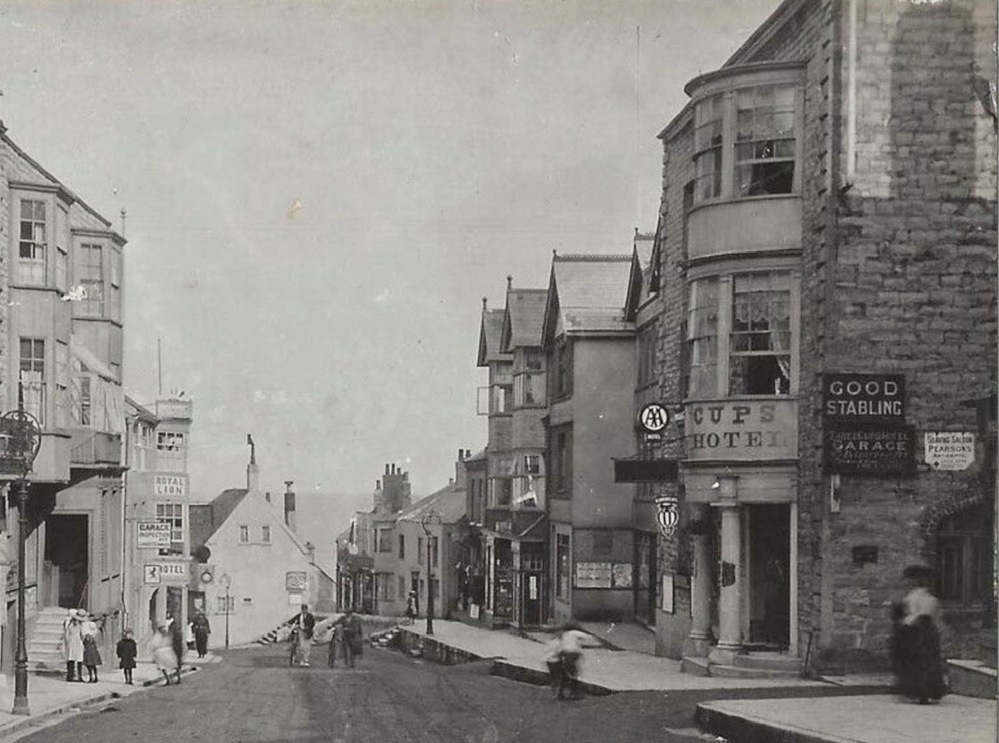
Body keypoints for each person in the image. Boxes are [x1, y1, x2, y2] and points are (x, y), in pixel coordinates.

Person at [890, 564, 946, 704]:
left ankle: (921, 692)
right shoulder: (920, 596)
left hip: (919, 631)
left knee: (920, 662)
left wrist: (907, 622)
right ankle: (920, 692)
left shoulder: (920, 597)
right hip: (921, 631)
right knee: (922, 662)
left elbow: (921, 615)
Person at [554, 623, 589, 700]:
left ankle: (561, 694)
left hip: (565, 655)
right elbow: (586, 637)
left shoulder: (564, 635)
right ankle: (574, 694)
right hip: (572, 655)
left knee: (566, 675)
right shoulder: (574, 633)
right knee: (574, 674)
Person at [60, 609, 86, 683]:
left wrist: (67, 642)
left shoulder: (70, 624)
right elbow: (82, 635)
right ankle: (79, 676)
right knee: (79, 659)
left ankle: (70, 676)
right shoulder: (79, 626)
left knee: (71, 658)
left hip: (71, 642)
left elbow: (67, 634)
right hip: (77, 642)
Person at [82, 616, 102, 683]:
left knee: (90, 665)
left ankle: (93, 677)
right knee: (92, 665)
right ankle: (94, 677)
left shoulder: (89, 634)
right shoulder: (94, 632)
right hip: (92, 650)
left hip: (89, 650)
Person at [168, 616, 185, 683]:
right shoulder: (179, 633)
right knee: (176, 665)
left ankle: (173, 679)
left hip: (174, 650)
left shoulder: (174, 634)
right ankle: (177, 678)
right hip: (177, 650)